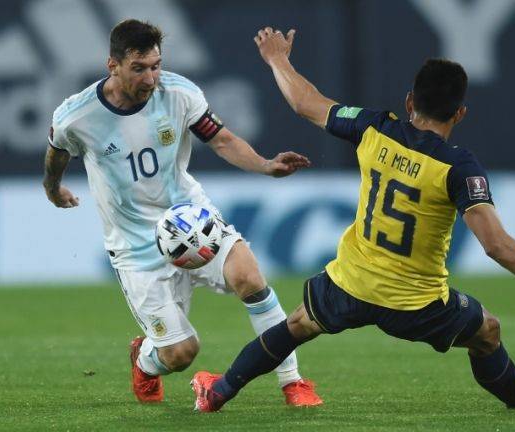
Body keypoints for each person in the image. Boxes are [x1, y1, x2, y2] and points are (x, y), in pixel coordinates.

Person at [191, 27, 515, 412]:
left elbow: (306, 104)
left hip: (351, 283)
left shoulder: (374, 128)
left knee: (297, 324)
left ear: (410, 101)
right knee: (487, 331)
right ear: (460, 113)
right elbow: (496, 245)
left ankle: (219, 390)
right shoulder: (459, 167)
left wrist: (277, 60)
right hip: (416, 303)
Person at [42, 20, 322, 407]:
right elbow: (57, 153)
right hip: (137, 246)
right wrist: (53, 189)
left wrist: (264, 165)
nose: (151, 77)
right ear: (113, 65)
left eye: (156, 65)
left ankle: (293, 382)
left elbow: (221, 140)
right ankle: (145, 360)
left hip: (192, 221)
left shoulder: (179, 93)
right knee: (180, 354)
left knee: (250, 278)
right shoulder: (77, 116)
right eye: (139, 68)